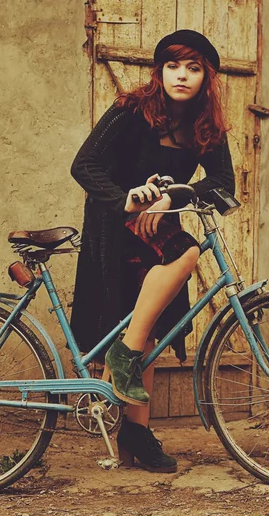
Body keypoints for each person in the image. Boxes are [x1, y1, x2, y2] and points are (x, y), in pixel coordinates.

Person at [70, 29, 235, 473]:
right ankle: (123, 364)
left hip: (157, 227)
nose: (182, 76)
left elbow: (223, 185)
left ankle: (135, 438)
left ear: (207, 77)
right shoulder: (130, 110)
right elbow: (84, 165)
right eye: (174, 66)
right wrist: (126, 197)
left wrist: (172, 197)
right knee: (184, 258)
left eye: (193, 68)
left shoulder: (206, 126)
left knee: (148, 334)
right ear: (159, 71)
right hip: (113, 225)